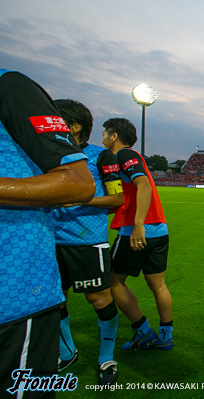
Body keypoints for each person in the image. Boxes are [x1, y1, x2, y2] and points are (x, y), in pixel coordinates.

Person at [0, 70, 95, 397]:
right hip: (59, 245)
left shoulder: (9, 86)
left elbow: (82, 184)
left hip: (14, 300)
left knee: (102, 296)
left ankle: (107, 353)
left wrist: (136, 223)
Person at [52, 99, 123, 385]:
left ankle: (106, 357)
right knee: (55, 300)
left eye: (54, 120)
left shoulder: (100, 157)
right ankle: (66, 351)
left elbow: (117, 199)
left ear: (75, 126)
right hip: (49, 240)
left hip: (86, 242)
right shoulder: (46, 154)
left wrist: (77, 198)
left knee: (99, 299)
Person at [101, 117, 174, 352]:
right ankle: (165, 336)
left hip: (137, 230)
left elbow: (142, 184)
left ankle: (142, 331)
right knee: (159, 285)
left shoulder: (123, 154)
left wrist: (138, 224)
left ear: (114, 136)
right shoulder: (125, 157)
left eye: (104, 133)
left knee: (114, 282)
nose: (102, 138)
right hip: (160, 229)